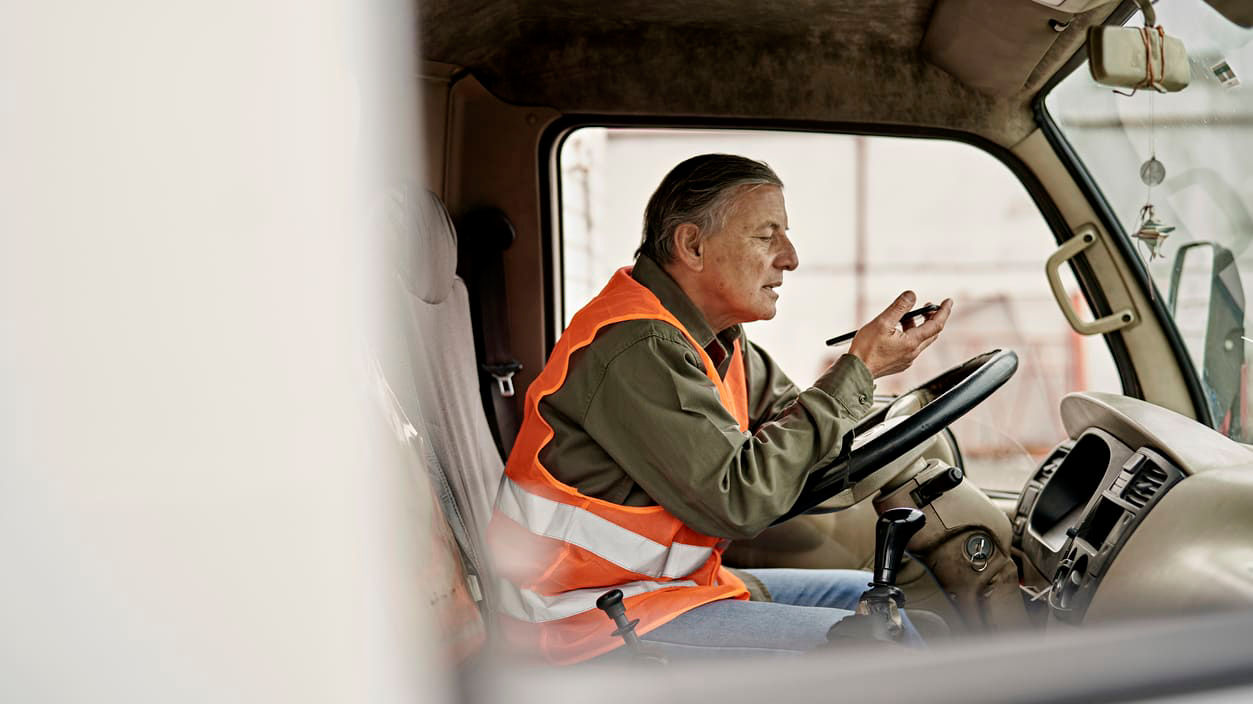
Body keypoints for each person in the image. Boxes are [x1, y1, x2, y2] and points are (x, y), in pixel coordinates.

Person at [489, 154, 953, 664]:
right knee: (879, 650)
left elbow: (798, 422)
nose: (790, 257)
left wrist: (862, 385)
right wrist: (858, 370)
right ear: (692, 245)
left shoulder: (718, 340)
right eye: (765, 236)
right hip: (583, 624)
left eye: (786, 234)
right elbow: (742, 499)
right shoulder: (636, 346)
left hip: (665, 591)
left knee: (883, 608)